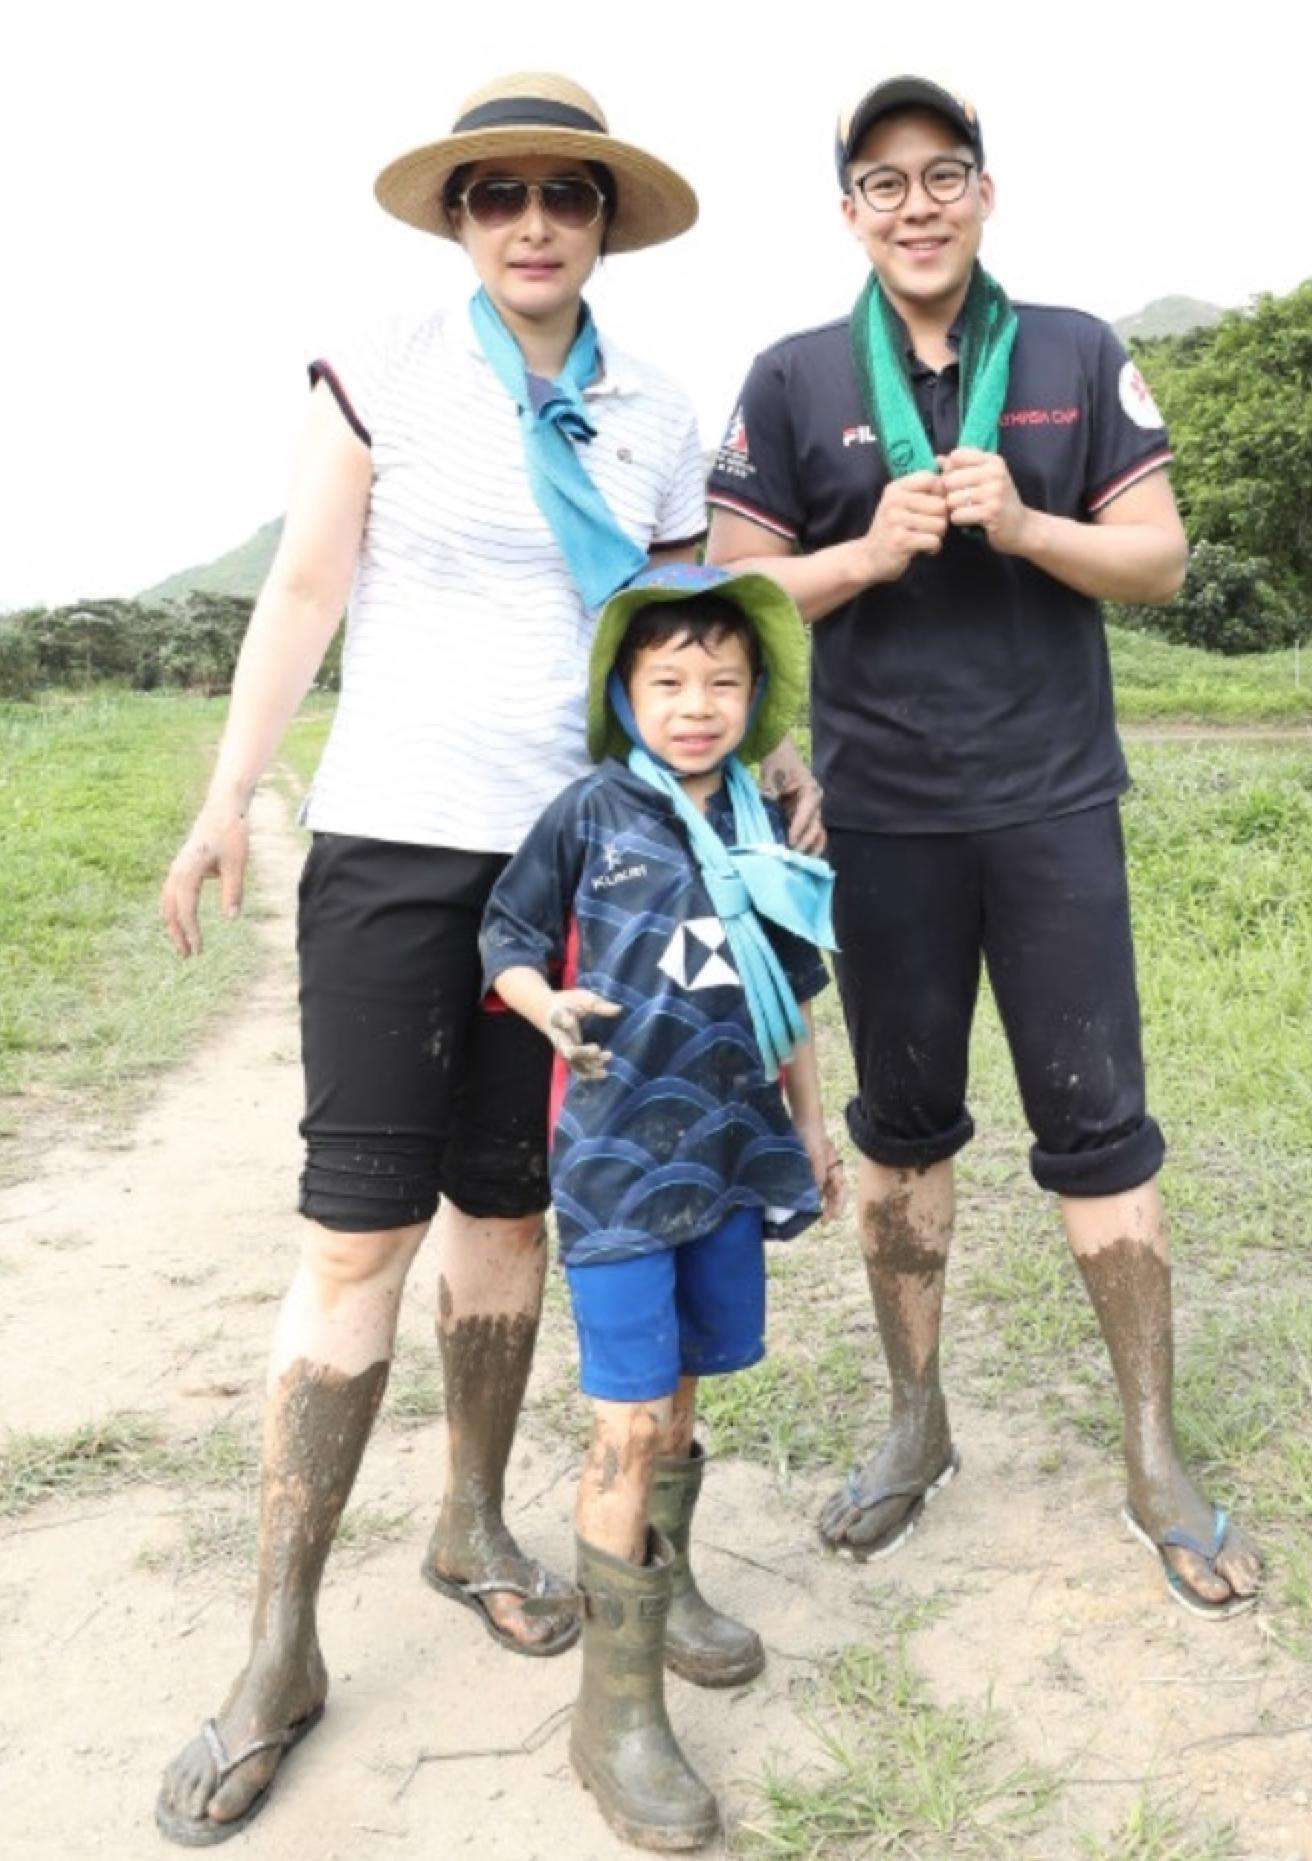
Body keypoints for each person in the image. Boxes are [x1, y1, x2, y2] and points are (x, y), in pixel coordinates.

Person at [153, 73, 819, 1846]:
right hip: (391, 844)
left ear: (606, 221)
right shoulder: (383, 363)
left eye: (567, 195)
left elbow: (679, 649)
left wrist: (753, 791)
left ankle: (474, 1521)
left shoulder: (661, 408)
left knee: (523, 1215)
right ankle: (279, 1648)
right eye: (498, 193)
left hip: (592, 865)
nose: (533, 220)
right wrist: (233, 799)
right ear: (458, 219)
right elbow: (305, 590)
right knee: (358, 1233)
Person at [706, 76, 1264, 1618]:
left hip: (1051, 806)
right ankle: (914, 1419)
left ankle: (1150, 1453)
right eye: (880, 184)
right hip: (877, 818)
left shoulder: (1076, 352)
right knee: (899, 1135)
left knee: (1102, 1128)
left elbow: (1154, 558)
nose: (914, 204)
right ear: (848, 216)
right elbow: (735, 601)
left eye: (939, 173)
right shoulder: (793, 373)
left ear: (983, 192)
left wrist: (1022, 528)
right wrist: (868, 553)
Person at [481, 562, 841, 1849]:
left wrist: (808, 1120)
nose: (696, 705)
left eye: (723, 682)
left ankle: (669, 1587)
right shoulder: (587, 813)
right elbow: (506, 938)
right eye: (669, 681)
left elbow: (786, 990)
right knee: (626, 1425)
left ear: (756, 697)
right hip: (620, 1170)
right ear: (624, 693)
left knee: (685, 1393)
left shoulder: (764, 824)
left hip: (731, 1159)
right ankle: (614, 1715)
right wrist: (546, 1010)